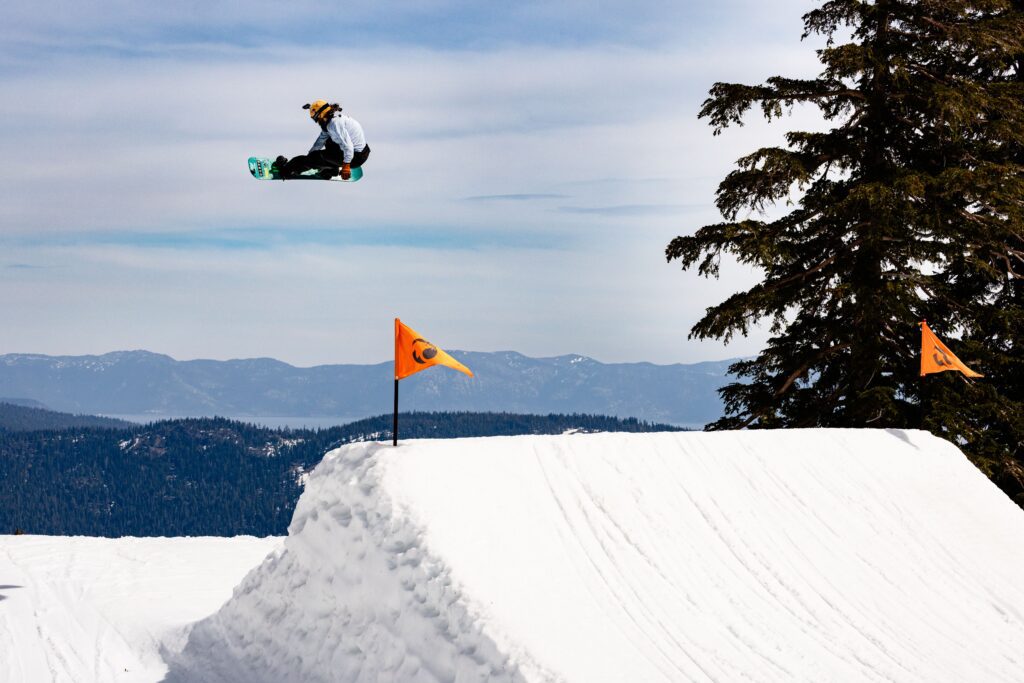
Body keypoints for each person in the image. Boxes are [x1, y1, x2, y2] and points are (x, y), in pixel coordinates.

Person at [274, 100, 370, 180]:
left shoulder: (335, 124)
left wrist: (346, 166)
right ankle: (331, 170)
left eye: (316, 119)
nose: (316, 122)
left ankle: (286, 170)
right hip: (360, 153)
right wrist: (309, 157)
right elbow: (319, 142)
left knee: (316, 157)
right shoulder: (330, 123)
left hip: (355, 157)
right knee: (325, 144)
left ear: (320, 115)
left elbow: (348, 146)